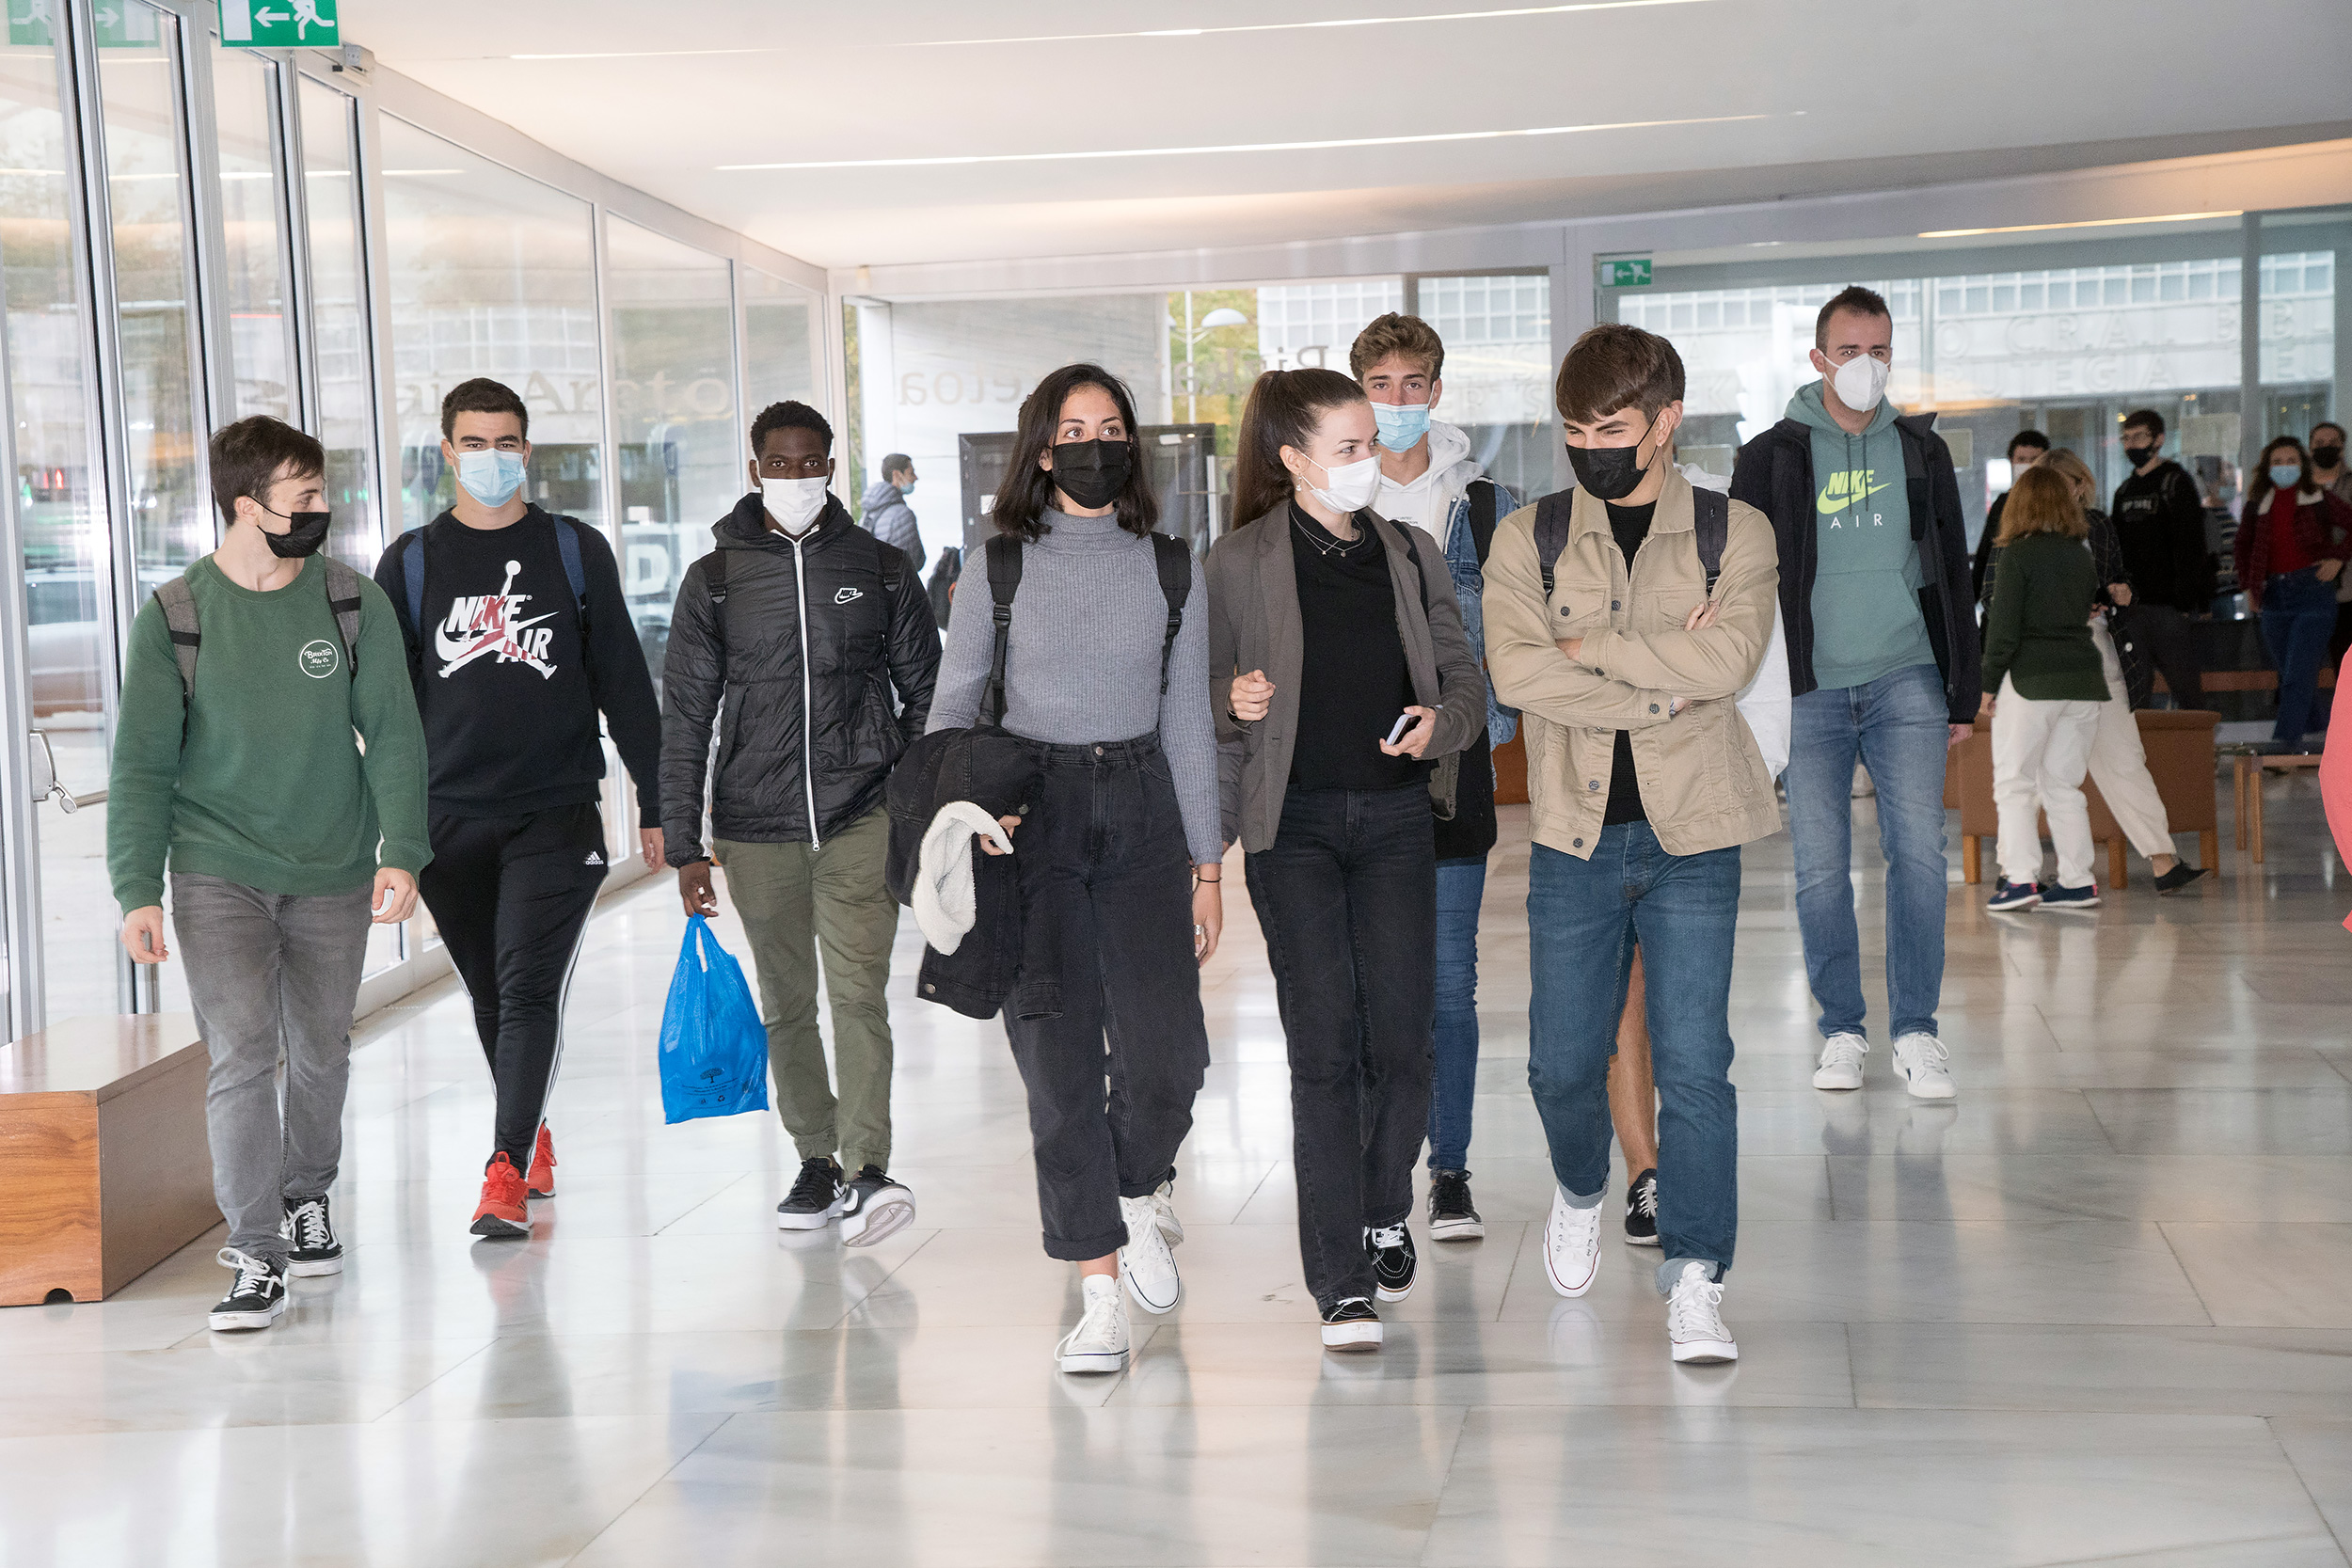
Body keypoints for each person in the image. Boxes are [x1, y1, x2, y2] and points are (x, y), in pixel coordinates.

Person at [1486, 322, 1778, 1365]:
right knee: (1562, 1063)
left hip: (1695, 830)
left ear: (1664, 421)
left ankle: (1696, 1274)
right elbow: (1516, 677)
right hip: (1571, 834)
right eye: (1572, 429)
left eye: (1610, 427)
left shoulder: (1732, 530)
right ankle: (1578, 1183)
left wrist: (1595, 651)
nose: (1589, 446)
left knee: (1696, 1063)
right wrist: (1665, 678)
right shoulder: (1530, 535)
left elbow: (1733, 655)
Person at [925, 363, 1218, 1375]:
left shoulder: (1172, 565)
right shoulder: (996, 564)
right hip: (1029, 828)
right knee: (1057, 1072)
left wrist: (1207, 864)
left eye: (1110, 427)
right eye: (1071, 428)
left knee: (1170, 1053)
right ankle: (1097, 1292)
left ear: (1128, 446)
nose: (1092, 444)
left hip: (1139, 812)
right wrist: (967, 812)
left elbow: (1186, 718)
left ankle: (1137, 1189)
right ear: (1040, 449)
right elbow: (953, 709)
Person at [107, 416, 428, 1332]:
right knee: (243, 1054)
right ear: (248, 507)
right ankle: (255, 1250)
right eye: (305, 498)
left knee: (322, 1048)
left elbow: (394, 735)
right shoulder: (177, 616)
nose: (322, 511)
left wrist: (401, 847)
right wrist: (137, 886)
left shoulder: (348, 601)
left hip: (331, 860)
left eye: (323, 494)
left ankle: (306, 1191)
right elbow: (141, 764)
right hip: (217, 870)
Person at [1210, 366, 1482, 1352]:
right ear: (1293, 461)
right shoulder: (1235, 564)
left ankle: (1380, 1204)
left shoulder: (1409, 553)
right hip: (1296, 833)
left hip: (1399, 820)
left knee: (1402, 1039)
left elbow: (1464, 683)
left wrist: (1437, 727)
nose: (1373, 460)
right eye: (1351, 447)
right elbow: (1198, 699)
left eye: (1372, 441)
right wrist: (1226, 702)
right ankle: (1340, 1281)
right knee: (1324, 1048)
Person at [372, 379, 664, 1240]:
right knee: (493, 993)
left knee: (531, 988)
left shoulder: (574, 550)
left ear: (526, 452)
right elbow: (386, 711)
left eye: (507, 443)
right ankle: (529, 1130)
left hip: (557, 811)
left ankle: (502, 1170)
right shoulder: (412, 562)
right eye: (474, 442)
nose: (491, 458)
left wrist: (658, 801)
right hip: (447, 820)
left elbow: (624, 683)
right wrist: (391, 830)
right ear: (447, 451)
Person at [661, 401, 941, 1244]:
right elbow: (685, 713)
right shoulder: (714, 579)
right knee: (787, 1003)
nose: (795, 476)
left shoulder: (883, 568)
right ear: (754, 470)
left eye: (809, 461)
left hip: (864, 812)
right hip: (754, 823)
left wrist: (916, 805)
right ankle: (815, 1156)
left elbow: (928, 693)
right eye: (778, 463)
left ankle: (869, 1167)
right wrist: (682, 841)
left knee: (859, 994)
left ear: (831, 463)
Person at [1730, 286, 1979, 1102]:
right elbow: (1743, 575)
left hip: (1906, 673)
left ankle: (1917, 1031)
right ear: (1818, 358)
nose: (1866, 365)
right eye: (1850, 351)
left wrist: (1962, 691)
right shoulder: (1772, 454)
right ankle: (1842, 1026)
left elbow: (1953, 569)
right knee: (1818, 867)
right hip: (1809, 687)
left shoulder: (1920, 448)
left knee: (1918, 856)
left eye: (1880, 351)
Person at [1348, 311, 1517, 1243]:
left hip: (1453, 775)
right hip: (1355, 775)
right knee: (1377, 988)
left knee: (1448, 983)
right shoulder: (1334, 495)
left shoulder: (1487, 504)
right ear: (1359, 394)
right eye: (1381, 385)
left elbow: (1519, 638)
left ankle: (1447, 1173)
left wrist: (1489, 727)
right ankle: (1381, 1192)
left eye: (1414, 383)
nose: (1399, 401)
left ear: (1437, 391)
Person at [2033, 447, 2207, 893]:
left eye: (2067, 483)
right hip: (2049, 664)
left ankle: (2164, 862)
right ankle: (2034, 871)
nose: (2061, 493)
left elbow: (2120, 577)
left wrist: (2118, 592)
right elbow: (2006, 601)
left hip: (2102, 655)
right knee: (2050, 772)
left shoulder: (2099, 526)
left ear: (2080, 483)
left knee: (2126, 761)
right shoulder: (2024, 533)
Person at [1978, 467, 2109, 911]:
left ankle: (2019, 880)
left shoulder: (2016, 555)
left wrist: (1987, 682)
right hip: (2084, 680)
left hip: (2030, 679)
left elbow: (2003, 628)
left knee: (2014, 783)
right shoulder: (2081, 555)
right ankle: (2076, 880)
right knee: (2063, 785)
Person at [2233, 436, 2352, 752]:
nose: (2284, 467)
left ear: (2302, 465)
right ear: (2267, 467)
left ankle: (2284, 741)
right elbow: (2242, 546)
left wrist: (2338, 558)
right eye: (2277, 462)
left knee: (2298, 673)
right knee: (2290, 672)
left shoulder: (2321, 499)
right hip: (2274, 596)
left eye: (2291, 461)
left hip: (2313, 594)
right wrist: (2249, 585)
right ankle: (2317, 728)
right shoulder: (2258, 505)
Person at [2109, 410, 2211, 708]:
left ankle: (2199, 754)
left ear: (2159, 440)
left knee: (2187, 692)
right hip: (2132, 608)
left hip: (2169, 609)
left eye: (2139, 436)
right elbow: (2116, 550)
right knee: (2135, 696)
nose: (2132, 445)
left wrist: (2186, 601)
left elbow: (2192, 545)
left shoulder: (2175, 482)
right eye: (2126, 438)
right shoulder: (2124, 491)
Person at [1971, 429, 2051, 610]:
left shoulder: (2055, 502)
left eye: (2034, 460)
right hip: (2002, 596)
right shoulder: (2003, 503)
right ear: (2011, 461)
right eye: (2021, 460)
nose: (2028, 465)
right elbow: (1986, 551)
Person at [2310, 423, 2352, 664]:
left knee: (2345, 665)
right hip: (2307, 591)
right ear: (2310, 449)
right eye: (2319, 443)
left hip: (2347, 591)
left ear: (2342, 448)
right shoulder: (2298, 488)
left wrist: (2339, 557)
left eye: (2332, 443)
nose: (2326, 447)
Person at [861, 452, 926, 576]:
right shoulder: (902, 514)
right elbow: (915, 562)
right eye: (911, 473)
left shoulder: (869, 510)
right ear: (896, 475)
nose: (915, 478)